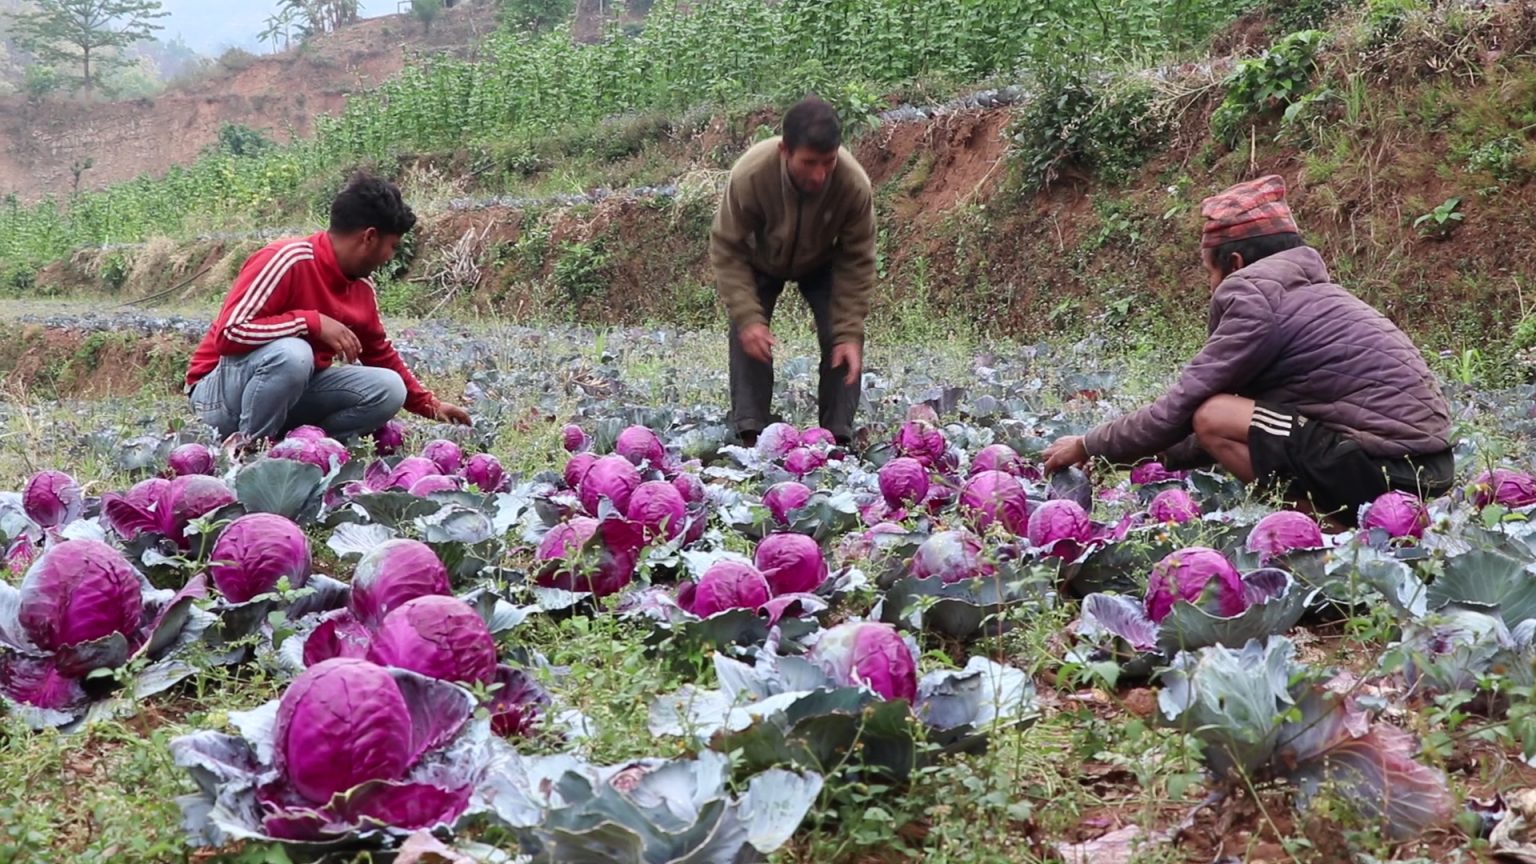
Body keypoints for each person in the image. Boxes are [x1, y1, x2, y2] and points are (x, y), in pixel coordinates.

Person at [1042, 175, 1453, 524]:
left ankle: (1328, 531)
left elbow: (1183, 410)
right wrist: (1153, 457)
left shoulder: (1255, 297)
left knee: (1213, 413)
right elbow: (1257, 421)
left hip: (1387, 469)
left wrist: (1089, 444)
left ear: (1235, 262)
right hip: (1423, 469)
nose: (1210, 285)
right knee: (1226, 413)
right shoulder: (1310, 294)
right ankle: (1356, 522)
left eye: (1209, 272)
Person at [185, 172, 472, 444]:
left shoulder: (361, 288)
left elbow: (378, 353)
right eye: (393, 246)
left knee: (388, 388)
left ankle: (307, 448)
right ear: (369, 237)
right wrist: (309, 322)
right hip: (217, 399)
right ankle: (249, 450)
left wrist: (429, 405)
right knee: (294, 354)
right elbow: (229, 334)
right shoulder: (286, 260)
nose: (390, 256)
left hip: (284, 396)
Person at [710, 96, 877, 447]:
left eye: (828, 162)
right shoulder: (751, 175)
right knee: (748, 334)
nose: (820, 174)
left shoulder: (852, 184)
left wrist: (849, 330)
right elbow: (728, 247)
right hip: (759, 259)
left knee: (843, 338)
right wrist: (749, 317)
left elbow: (857, 260)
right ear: (785, 150)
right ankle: (751, 432)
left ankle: (837, 437)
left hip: (821, 261)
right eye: (810, 163)